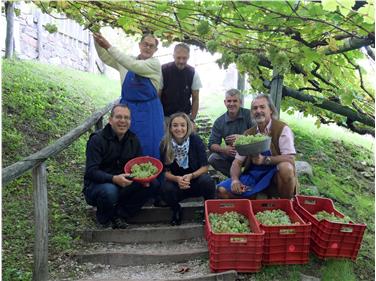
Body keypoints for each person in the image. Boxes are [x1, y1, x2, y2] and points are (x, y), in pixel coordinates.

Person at [83, 104, 157, 229]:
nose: (123, 121)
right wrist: (114, 179)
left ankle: (120, 214)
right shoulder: (97, 140)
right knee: (110, 191)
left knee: (153, 184)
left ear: (130, 121)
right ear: (110, 120)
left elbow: (137, 166)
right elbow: (91, 171)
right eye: (119, 117)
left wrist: (143, 178)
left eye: (126, 118)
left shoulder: (133, 139)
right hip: (98, 186)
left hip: (124, 183)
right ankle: (104, 217)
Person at [93, 32, 164, 160]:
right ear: (139, 45)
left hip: (150, 112)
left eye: (151, 46)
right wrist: (97, 38)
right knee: (127, 144)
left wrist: (109, 46)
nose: (147, 48)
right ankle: (127, 176)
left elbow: (134, 66)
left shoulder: (154, 64)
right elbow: (105, 56)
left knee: (150, 146)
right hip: (128, 110)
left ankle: (152, 177)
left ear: (155, 50)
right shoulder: (127, 60)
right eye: (145, 44)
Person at [217, 94, 297, 199]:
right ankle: (254, 197)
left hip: (274, 176)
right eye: (255, 108)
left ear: (271, 110)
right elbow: (237, 162)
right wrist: (235, 180)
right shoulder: (249, 134)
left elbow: (290, 158)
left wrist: (265, 160)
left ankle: (285, 203)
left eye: (262, 107)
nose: (258, 111)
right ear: (252, 113)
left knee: (286, 168)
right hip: (254, 176)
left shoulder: (282, 129)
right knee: (221, 191)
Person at [160, 112, 215, 226]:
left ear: (187, 126)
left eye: (182, 125)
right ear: (170, 128)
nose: (179, 129)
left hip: (195, 182)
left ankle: (208, 210)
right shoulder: (165, 144)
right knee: (165, 187)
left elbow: (205, 167)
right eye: (175, 125)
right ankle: (176, 210)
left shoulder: (195, 140)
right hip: (177, 184)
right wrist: (177, 179)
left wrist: (191, 176)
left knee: (208, 181)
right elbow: (165, 172)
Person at [208, 89, 253, 177]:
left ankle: (252, 176)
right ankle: (238, 177)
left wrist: (242, 138)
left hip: (249, 153)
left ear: (240, 102)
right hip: (231, 154)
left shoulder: (249, 115)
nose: (231, 104)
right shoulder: (219, 122)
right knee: (213, 158)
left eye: (235, 101)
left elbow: (260, 134)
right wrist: (224, 149)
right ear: (225, 102)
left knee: (259, 154)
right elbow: (211, 144)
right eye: (229, 101)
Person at [159, 43, 202, 122]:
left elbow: (195, 99)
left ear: (188, 57)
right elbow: (157, 96)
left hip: (184, 117)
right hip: (165, 117)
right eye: (178, 58)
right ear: (173, 56)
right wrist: (158, 116)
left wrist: (192, 119)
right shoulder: (163, 70)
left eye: (184, 58)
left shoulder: (193, 73)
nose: (181, 61)